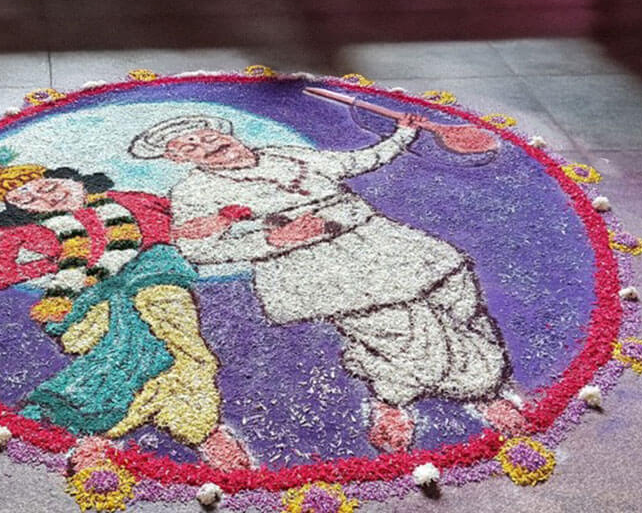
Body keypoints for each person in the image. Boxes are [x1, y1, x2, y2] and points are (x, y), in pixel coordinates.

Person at [129, 114, 525, 451]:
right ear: (177, 158)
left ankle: (423, 384)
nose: (206, 145)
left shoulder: (285, 154)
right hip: (309, 263)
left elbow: (355, 161)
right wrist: (274, 240)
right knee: (400, 328)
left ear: (226, 133)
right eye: (190, 146)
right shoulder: (193, 192)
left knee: (454, 286)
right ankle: (468, 392)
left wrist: (402, 134)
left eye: (207, 136)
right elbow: (196, 248)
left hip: (372, 234)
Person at [0, 159, 252, 471]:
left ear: (73, 179)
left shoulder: (132, 201)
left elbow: (180, 226)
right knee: (148, 352)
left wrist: (223, 218)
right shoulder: (22, 230)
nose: (47, 198)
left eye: (48, 187)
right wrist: (57, 265)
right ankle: (207, 435)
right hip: (86, 296)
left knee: (176, 349)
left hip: (153, 275)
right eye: (27, 201)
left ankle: (98, 436)